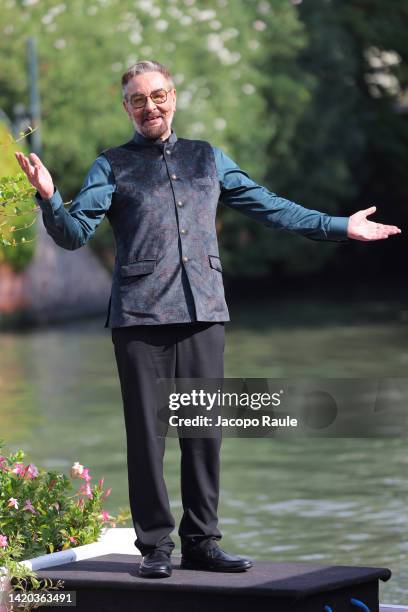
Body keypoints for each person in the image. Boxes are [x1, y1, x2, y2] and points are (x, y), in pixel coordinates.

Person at [15, 60, 401, 579]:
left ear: (172, 96)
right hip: (139, 318)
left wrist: (338, 225)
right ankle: (154, 546)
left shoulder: (207, 159)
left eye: (157, 96)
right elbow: (72, 233)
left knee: (204, 432)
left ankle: (202, 542)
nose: (149, 106)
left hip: (202, 312)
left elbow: (272, 207)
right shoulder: (110, 165)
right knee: (147, 436)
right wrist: (50, 198)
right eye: (137, 100)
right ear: (125, 107)